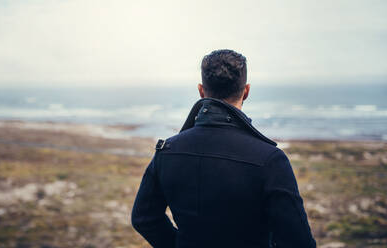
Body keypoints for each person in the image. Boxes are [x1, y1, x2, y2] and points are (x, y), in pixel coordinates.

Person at [131, 49, 316, 248]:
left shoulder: (167, 151)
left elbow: (144, 218)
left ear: (201, 91)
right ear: (246, 91)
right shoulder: (270, 160)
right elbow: (299, 242)